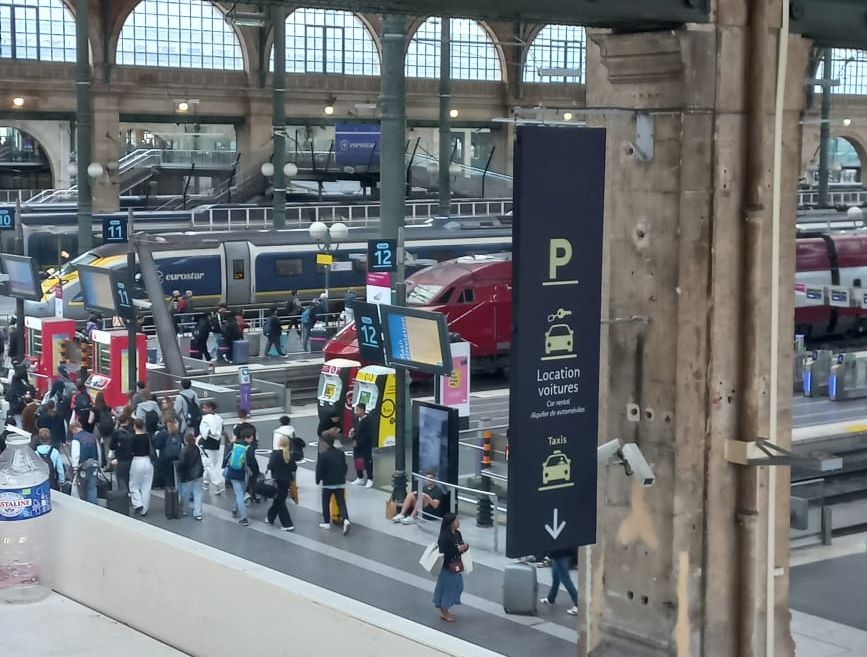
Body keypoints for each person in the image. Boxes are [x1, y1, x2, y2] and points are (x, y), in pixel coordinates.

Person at [433, 513, 469, 622]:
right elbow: (443, 550)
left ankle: (445, 606)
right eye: (456, 520)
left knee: (458, 586)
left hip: (457, 565)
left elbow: (460, 546)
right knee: (448, 589)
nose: (458, 522)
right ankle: (444, 611)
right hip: (448, 567)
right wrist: (457, 549)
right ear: (451, 523)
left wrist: (464, 547)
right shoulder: (445, 536)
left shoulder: (457, 534)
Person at [315, 434, 350, 535]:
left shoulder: (323, 455)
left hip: (328, 483)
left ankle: (326, 522)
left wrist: (318, 480)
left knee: (326, 502)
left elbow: (319, 469)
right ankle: (346, 519)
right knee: (341, 503)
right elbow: (344, 466)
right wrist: (342, 476)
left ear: (325, 443)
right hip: (340, 482)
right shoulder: (340, 453)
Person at [266, 435, 297, 531]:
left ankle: (287, 524)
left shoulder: (275, 454)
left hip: (277, 480)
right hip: (286, 481)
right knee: (278, 500)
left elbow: (270, 466)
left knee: (280, 502)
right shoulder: (289, 455)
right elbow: (294, 468)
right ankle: (270, 518)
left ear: (279, 443)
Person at [223, 430, 251, 526]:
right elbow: (252, 463)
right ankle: (244, 518)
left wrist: (224, 466)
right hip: (243, 473)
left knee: (239, 493)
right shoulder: (248, 448)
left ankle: (235, 509)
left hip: (232, 472)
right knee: (240, 494)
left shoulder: (234, 445)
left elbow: (227, 457)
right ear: (246, 438)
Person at [539, 548, 579, 615]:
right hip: (562, 554)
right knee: (555, 576)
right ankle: (551, 598)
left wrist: (543, 555)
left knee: (565, 580)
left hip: (559, 555)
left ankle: (578, 604)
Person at [197, 401, 225, 495]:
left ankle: (218, 484)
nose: (203, 410)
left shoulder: (206, 418)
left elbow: (205, 432)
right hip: (216, 443)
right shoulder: (219, 418)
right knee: (210, 464)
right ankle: (205, 483)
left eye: (205, 408)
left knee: (208, 465)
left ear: (210, 408)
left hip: (206, 443)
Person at [128, 418, 154, 516]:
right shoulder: (148, 437)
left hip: (137, 461)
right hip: (148, 461)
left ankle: (137, 503)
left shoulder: (132, 438)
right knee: (146, 486)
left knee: (133, 485)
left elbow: (129, 451)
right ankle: (145, 510)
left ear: (134, 426)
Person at [70, 421, 100, 504]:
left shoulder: (76, 438)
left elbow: (75, 455)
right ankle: (93, 506)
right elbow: (98, 451)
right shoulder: (92, 436)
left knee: (81, 488)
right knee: (92, 487)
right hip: (93, 464)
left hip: (82, 466)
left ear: (74, 429)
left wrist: (75, 467)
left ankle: (84, 506)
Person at [177, 431, 204, 520]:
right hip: (198, 474)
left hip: (188, 476)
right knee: (198, 494)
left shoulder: (185, 450)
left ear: (185, 440)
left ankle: (184, 510)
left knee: (186, 494)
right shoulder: (196, 448)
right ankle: (198, 513)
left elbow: (182, 463)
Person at [153, 417, 183, 489]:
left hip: (165, 456)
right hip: (176, 455)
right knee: (172, 471)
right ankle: (172, 484)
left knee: (162, 468)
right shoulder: (178, 433)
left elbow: (157, 445)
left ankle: (161, 484)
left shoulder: (163, 434)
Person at [350, 403, 374, 487]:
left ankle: (370, 478)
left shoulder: (368, 421)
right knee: (357, 460)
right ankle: (360, 477)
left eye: (357, 410)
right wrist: (353, 435)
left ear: (362, 410)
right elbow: (356, 430)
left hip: (365, 445)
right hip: (357, 445)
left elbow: (368, 435)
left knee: (367, 461)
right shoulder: (356, 419)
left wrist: (359, 442)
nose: (356, 412)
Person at [34, 428, 65, 492]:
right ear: (50, 439)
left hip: (40, 479)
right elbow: (60, 469)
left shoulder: (35, 453)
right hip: (51, 479)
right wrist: (61, 481)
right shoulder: (55, 452)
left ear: (39, 440)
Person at [110, 413, 134, 492]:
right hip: (131, 458)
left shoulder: (116, 432)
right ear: (127, 421)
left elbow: (112, 446)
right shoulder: (132, 431)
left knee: (121, 478)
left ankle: (123, 495)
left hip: (120, 458)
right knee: (130, 478)